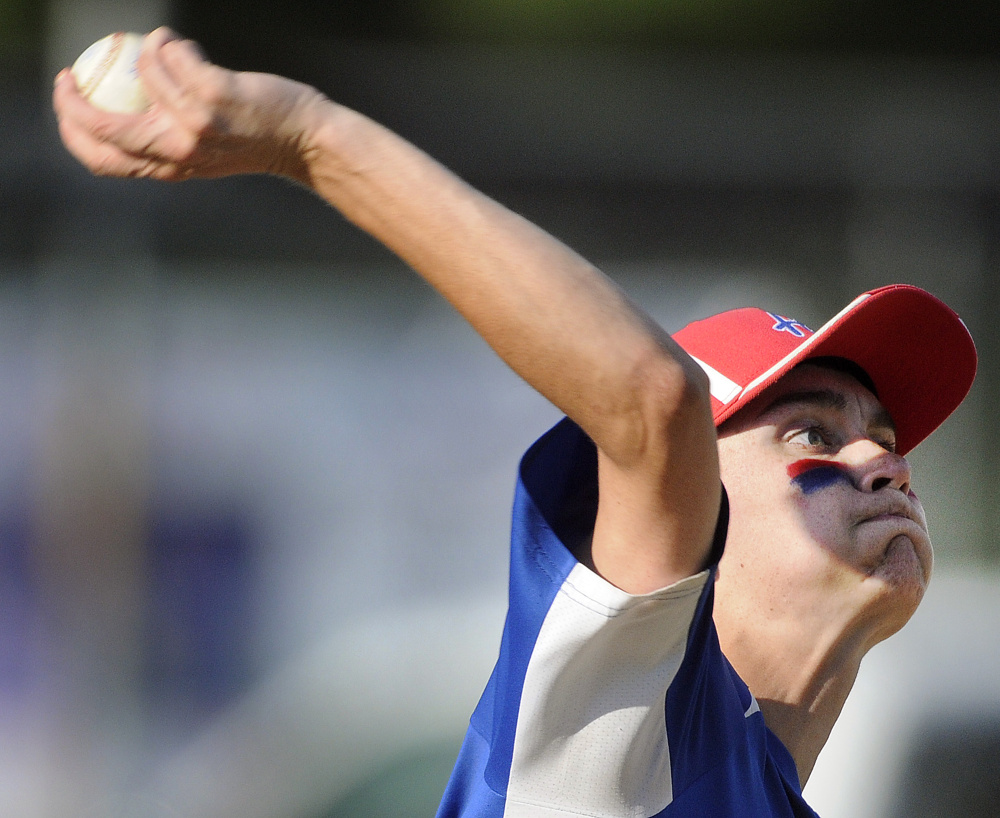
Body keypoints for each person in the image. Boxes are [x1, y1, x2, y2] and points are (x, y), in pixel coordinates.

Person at [52, 29, 977, 817]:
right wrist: (308, 138)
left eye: (885, 436)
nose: (882, 462)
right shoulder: (615, 732)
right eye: (812, 433)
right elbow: (652, 401)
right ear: (699, 509)